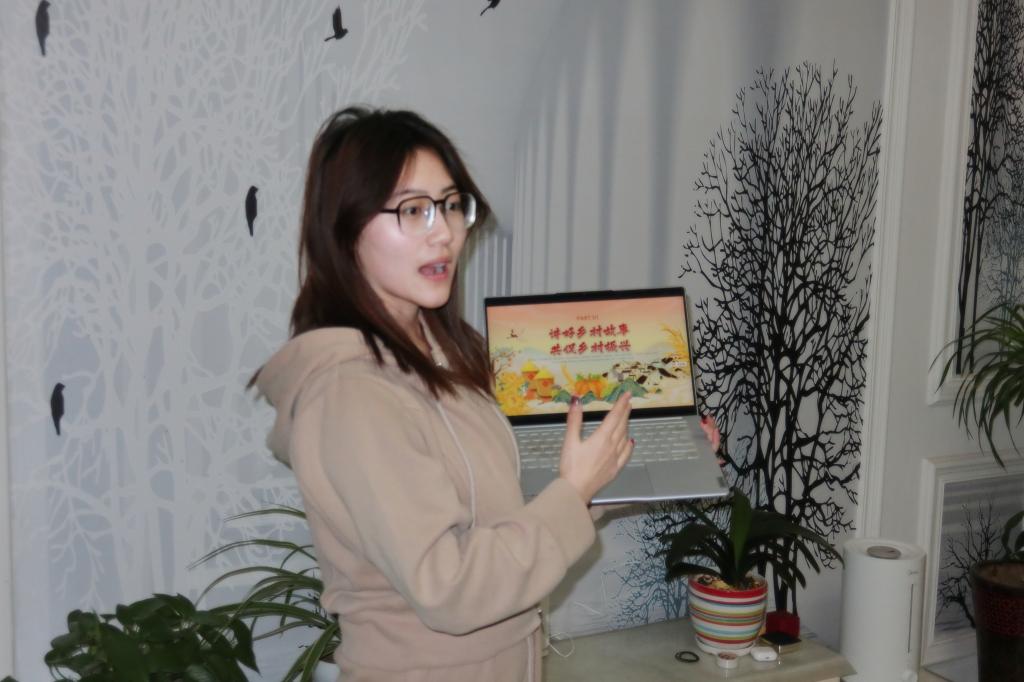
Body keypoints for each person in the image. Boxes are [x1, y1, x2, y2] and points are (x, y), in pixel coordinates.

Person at [253, 106, 635, 681]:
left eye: (452, 205)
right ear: (345, 228)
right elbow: (450, 587)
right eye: (413, 210)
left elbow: (502, 518)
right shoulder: (351, 395)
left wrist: (602, 478)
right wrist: (574, 492)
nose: (445, 233)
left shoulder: (444, 353)